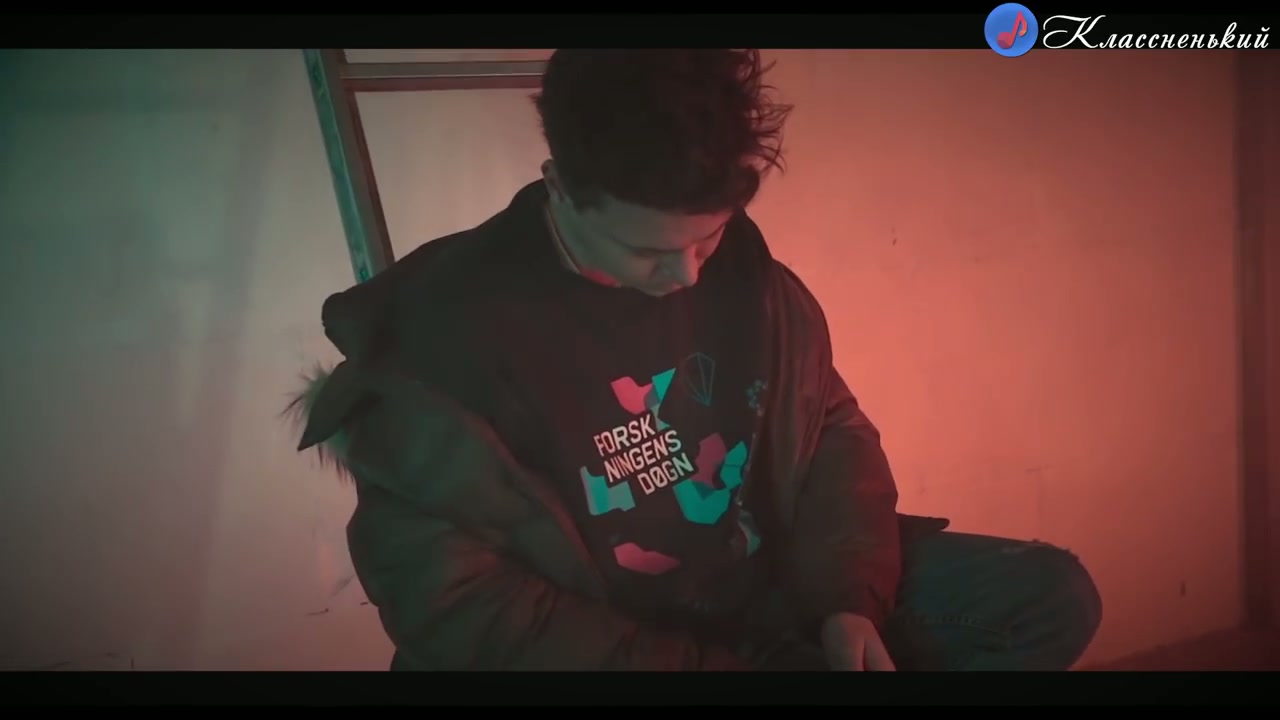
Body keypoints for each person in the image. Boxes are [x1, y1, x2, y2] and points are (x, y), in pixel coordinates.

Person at [291, 49, 1102, 671]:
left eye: (707, 238)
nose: (684, 275)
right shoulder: (442, 344)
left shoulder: (747, 274)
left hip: (769, 598)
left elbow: (829, 430)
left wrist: (846, 600)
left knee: (1047, 598)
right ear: (560, 188)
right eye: (646, 252)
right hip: (614, 639)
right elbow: (462, 605)